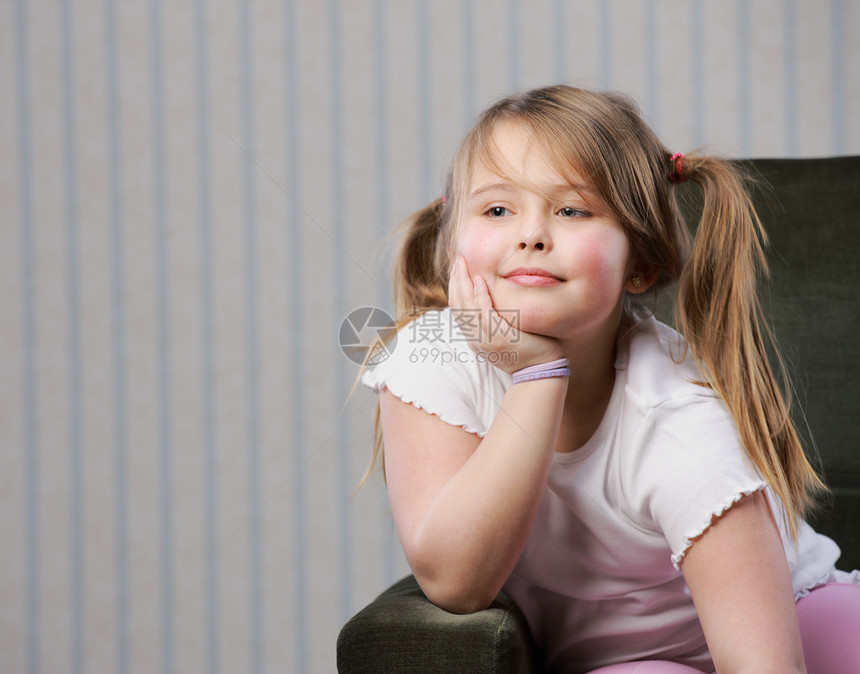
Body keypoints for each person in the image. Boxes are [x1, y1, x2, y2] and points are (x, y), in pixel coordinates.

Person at [359, 85, 860, 673]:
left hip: (788, 623)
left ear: (640, 265)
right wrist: (538, 377)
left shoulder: (679, 419)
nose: (532, 234)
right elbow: (455, 581)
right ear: (450, 244)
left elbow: (764, 664)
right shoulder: (429, 360)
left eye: (572, 210)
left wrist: (537, 368)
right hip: (622, 661)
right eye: (498, 209)